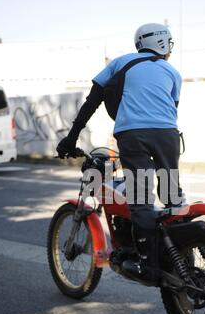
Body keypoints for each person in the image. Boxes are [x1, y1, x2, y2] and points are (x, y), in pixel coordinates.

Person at [57, 23, 183, 282]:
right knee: (171, 197)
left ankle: (148, 267)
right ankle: (180, 252)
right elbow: (170, 109)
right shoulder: (172, 72)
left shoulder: (120, 63)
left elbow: (92, 101)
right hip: (168, 136)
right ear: (163, 43)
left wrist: (70, 139)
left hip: (133, 136)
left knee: (140, 199)